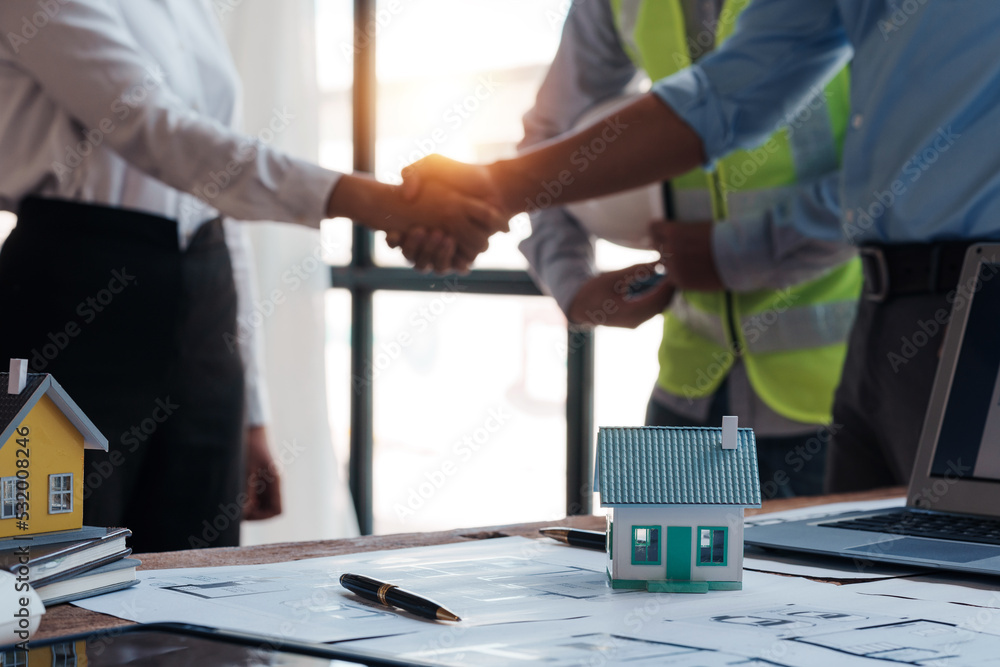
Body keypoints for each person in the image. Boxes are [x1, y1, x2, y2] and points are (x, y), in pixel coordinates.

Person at [398, 0, 1000, 494]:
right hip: (699, 375)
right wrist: (553, 261)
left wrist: (734, 250)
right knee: (669, 605)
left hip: (845, 367)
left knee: (931, 604)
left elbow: (867, 173)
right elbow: (724, 100)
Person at [0, 0, 504, 552]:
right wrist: (374, 201)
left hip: (206, 296)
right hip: (73, 291)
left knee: (200, 569)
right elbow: (157, 131)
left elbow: (218, 196)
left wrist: (251, 415)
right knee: (56, 565)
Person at [515, 0, 860, 497]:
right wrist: (570, 281)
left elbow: (895, 166)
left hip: (829, 404)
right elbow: (549, 141)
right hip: (687, 388)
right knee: (647, 575)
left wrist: (737, 253)